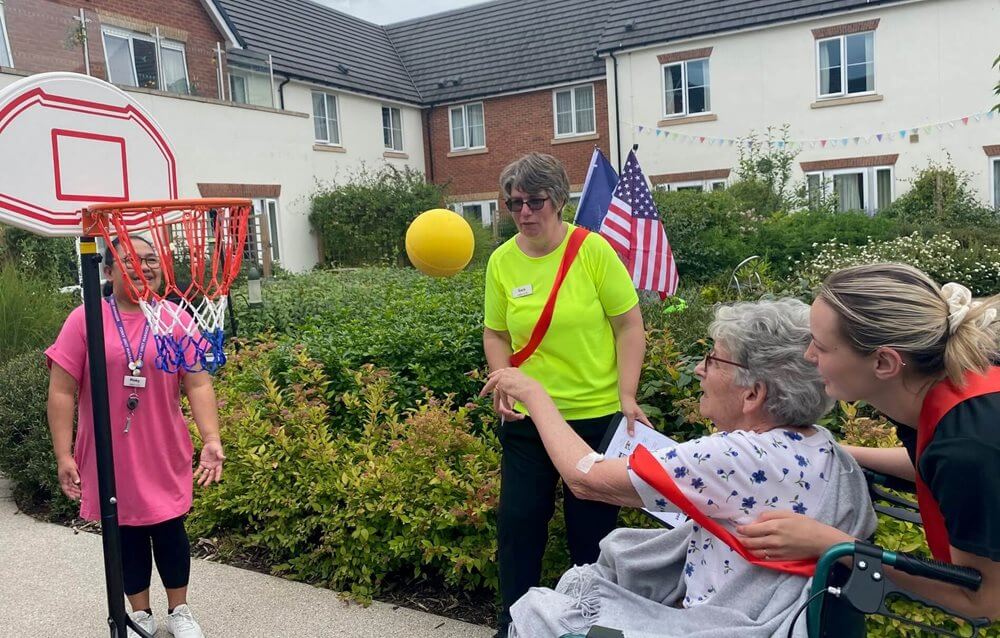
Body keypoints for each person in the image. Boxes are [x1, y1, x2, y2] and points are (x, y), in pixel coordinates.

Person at [483, 298, 876, 637]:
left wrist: (534, 395)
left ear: (753, 393)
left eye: (713, 359)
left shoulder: (732, 456)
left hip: (714, 624)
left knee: (538, 612)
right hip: (777, 617)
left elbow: (586, 478)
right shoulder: (821, 446)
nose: (701, 370)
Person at [737, 263, 1000, 622]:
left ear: (884, 362)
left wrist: (831, 544)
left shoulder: (969, 446)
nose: (808, 356)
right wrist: (833, 452)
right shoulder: (946, 386)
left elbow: (984, 599)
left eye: (822, 347)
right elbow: (933, 465)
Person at [483, 152, 649, 636]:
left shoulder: (592, 251)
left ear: (558, 200)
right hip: (528, 421)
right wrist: (504, 381)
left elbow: (629, 325)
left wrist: (627, 395)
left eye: (534, 201)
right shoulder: (501, 261)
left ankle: (589, 622)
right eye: (514, 203)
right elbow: (496, 333)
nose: (524, 212)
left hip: (594, 418)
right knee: (519, 526)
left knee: (592, 535)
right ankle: (512, 623)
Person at [46, 236, 225, 638]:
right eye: (133, 261)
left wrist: (211, 438)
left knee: (169, 527)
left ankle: (179, 610)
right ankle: (139, 613)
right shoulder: (86, 318)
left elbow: (198, 383)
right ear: (107, 271)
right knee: (124, 530)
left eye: (152, 260)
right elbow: (61, 390)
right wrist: (63, 454)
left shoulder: (176, 318)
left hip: (162, 447)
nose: (145, 267)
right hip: (111, 451)